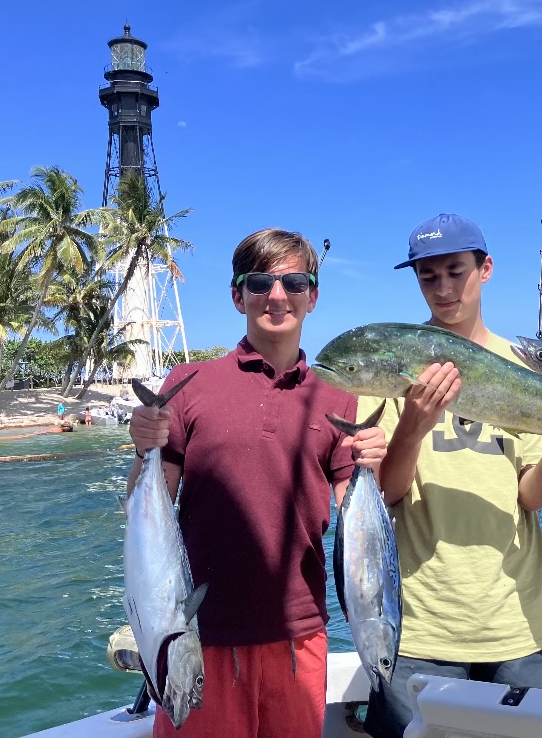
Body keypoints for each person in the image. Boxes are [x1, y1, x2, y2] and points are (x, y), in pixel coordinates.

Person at [127, 228, 387, 738]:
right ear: (236, 294)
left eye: (293, 282)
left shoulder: (339, 398)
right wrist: (143, 449)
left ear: (313, 296)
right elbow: (146, 509)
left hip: (300, 636)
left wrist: (372, 463)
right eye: (260, 281)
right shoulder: (189, 384)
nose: (276, 295)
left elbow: (356, 529)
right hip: (195, 630)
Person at [360, 213, 542, 738]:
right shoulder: (387, 362)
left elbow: (531, 495)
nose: (443, 288)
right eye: (429, 277)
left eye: (456, 271)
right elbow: (384, 496)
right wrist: (413, 428)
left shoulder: (525, 368)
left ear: (485, 268)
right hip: (419, 625)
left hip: (520, 622)